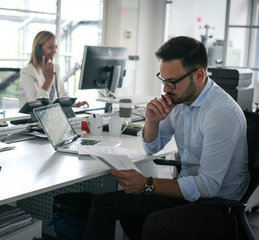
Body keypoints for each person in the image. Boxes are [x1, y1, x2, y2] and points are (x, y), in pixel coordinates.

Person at [84, 36, 250, 240]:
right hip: (188, 192)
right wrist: (151, 121)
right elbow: (153, 148)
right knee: (106, 205)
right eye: (163, 80)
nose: (164, 89)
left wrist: (147, 183)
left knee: (155, 224)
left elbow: (208, 186)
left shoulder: (220, 112)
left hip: (217, 204)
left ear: (198, 75)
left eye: (171, 82)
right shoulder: (181, 99)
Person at [19, 31, 87, 108]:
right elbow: (35, 104)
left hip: (50, 116)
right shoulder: (28, 72)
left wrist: (73, 105)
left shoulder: (55, 68)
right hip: (31, 118)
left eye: (56, 47)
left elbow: (62, 93)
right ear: (38, 50)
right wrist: (49, 79)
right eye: (51, 47)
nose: (55, 51)